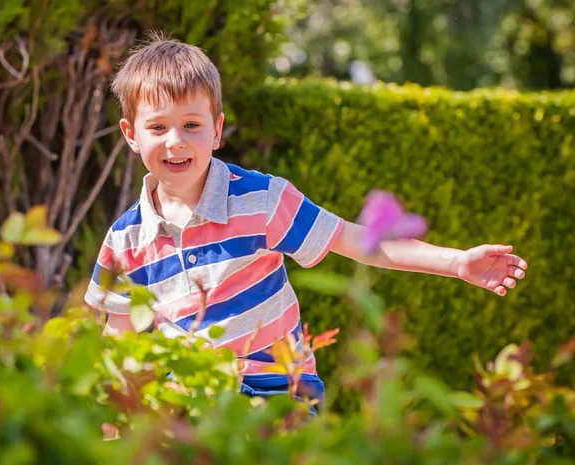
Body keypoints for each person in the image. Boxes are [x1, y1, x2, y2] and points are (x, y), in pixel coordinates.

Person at [84, 33, 528, 411]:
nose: (176, 141)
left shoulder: (261, 200)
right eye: (158, 128)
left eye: (192, 125)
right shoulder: (125, 240)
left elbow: (358, 241)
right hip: (187, 404)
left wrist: (457, 263)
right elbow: (118, 339)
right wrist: (108, 425)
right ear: (131, 134)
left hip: (276, 394)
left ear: (217, 131)